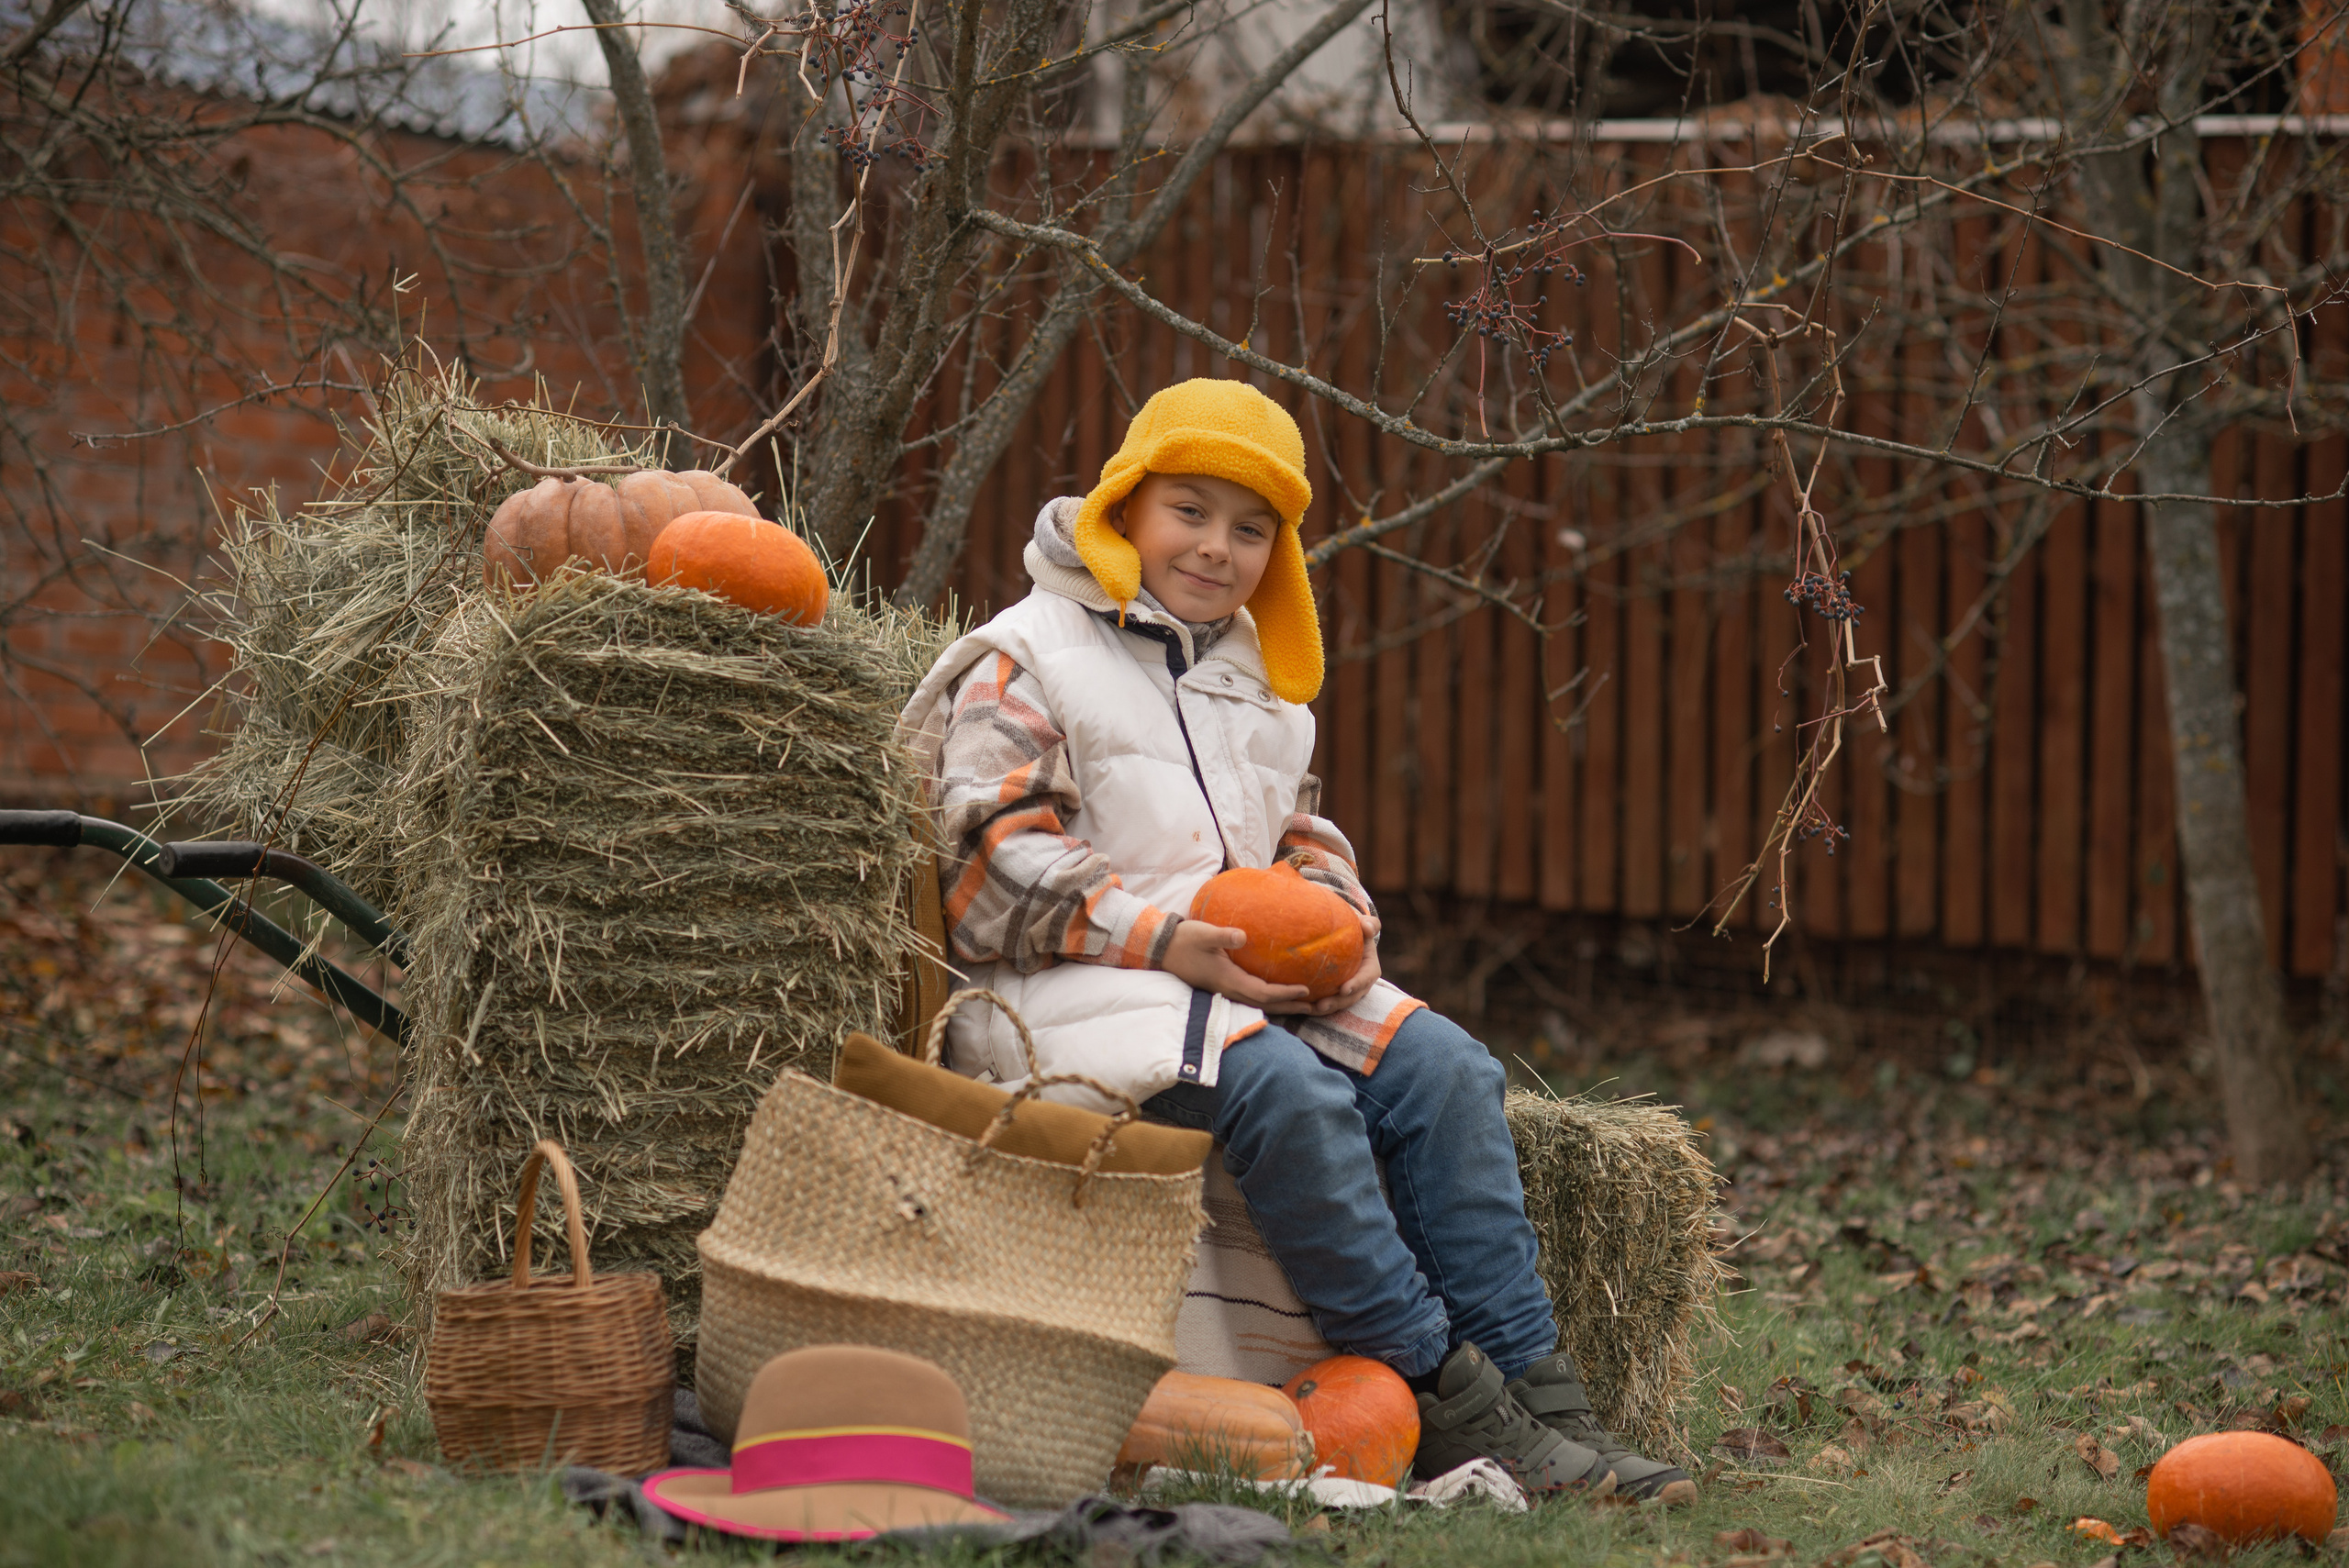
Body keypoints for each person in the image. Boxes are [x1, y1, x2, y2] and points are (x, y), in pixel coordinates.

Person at [898, 379, 1693, 1502]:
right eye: (1191, 510)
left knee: (1446, 1069)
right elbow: (989, 862)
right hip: (1062, 988)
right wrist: (1167, 938)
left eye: (1251, 527)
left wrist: (1335, 911)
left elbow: (1291, 828)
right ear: (1126, 504)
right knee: (1287, 1092)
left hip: (1226, 978)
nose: (1217, 548)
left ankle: (1548, 1395)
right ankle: (1448, 1394)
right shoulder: (1030, 653)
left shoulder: (1258, 682)